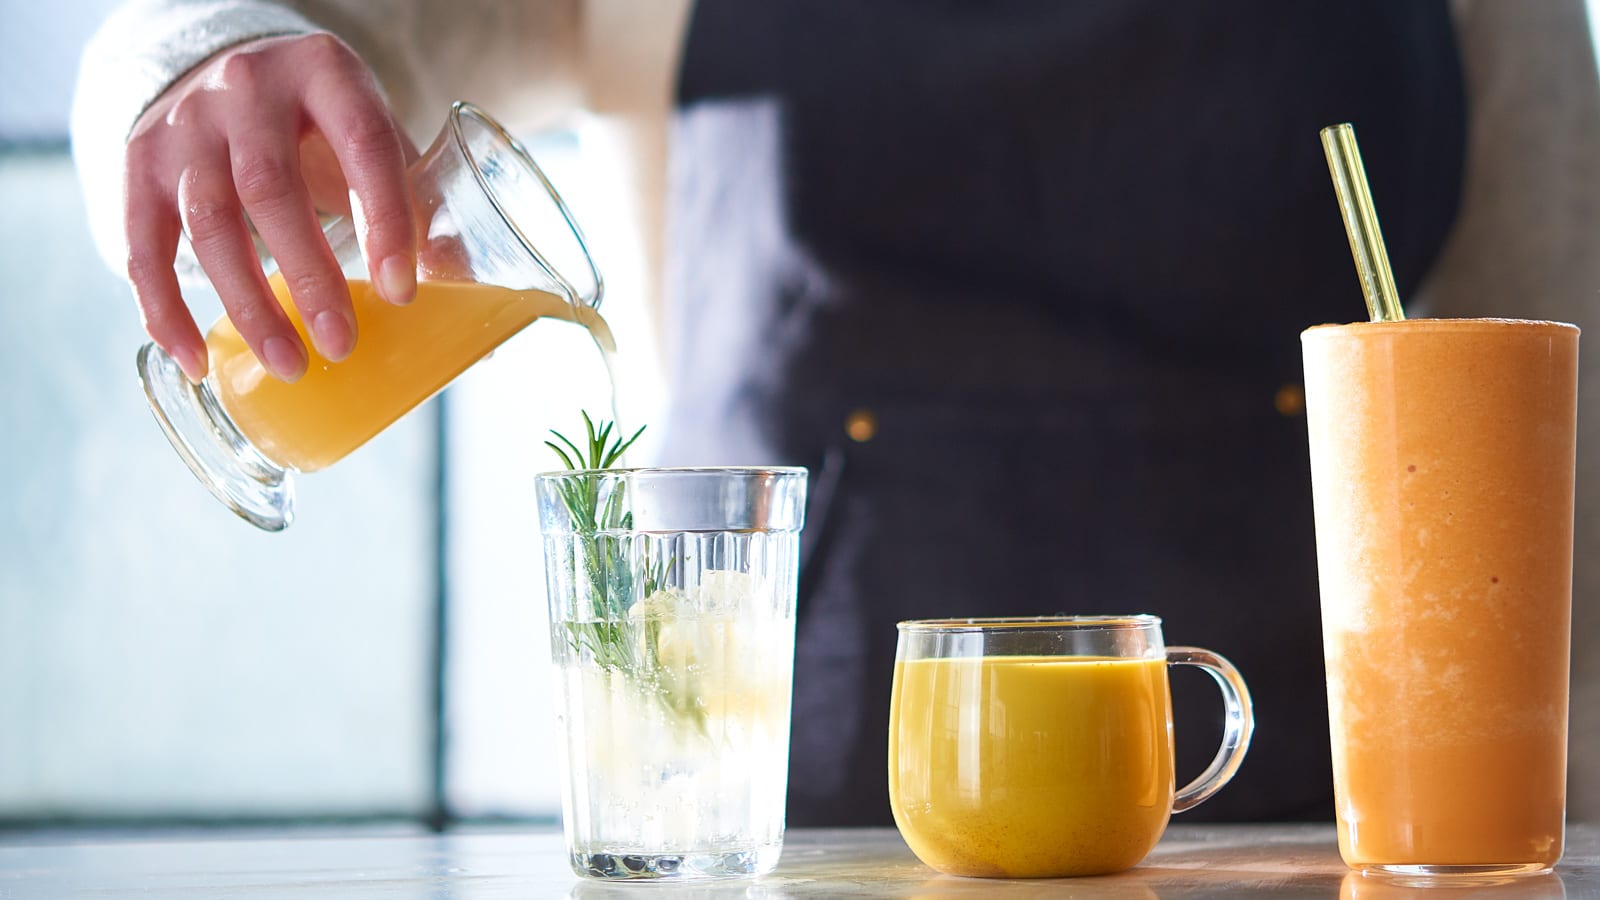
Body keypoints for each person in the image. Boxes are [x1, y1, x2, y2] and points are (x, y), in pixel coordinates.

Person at [73, 0, 1600, 826]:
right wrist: (192, 58)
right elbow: (310, 23)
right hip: (779, 831)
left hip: (1309, 836)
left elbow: (1544, 486)